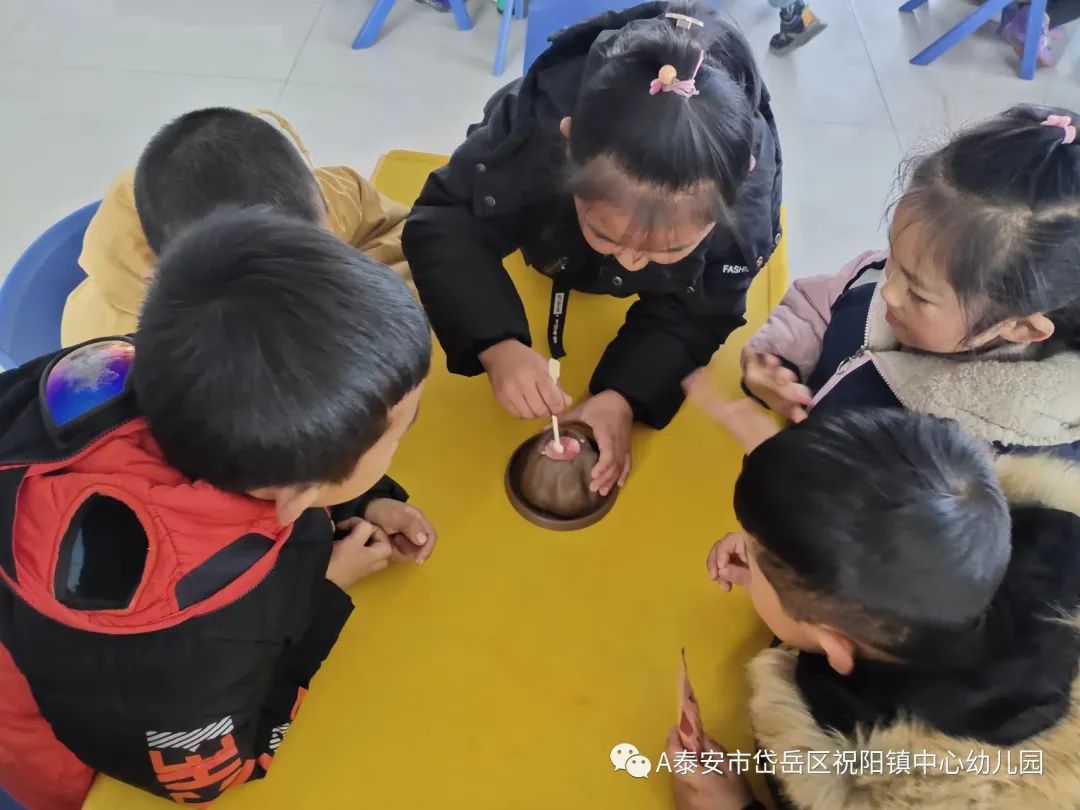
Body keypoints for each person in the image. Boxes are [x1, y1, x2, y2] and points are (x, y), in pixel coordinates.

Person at [0, 210, 435, 809]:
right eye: (400, 432)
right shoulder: (203, 634)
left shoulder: (114, 369)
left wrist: (368, 497)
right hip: (59, 754)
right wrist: (321, 593)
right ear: (297, 494)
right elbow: (212, 775)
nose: (403, 439)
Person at [403, 0, 782, 499]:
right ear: (567, 148)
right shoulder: (531, 132)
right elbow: (447, 220)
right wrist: (494, 343)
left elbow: (700, 311)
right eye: (607, 236)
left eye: (667, 249)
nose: (628, 262)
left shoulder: (743, 213)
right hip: (549, 239)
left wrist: (622, 396)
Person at [669, 399, 1080, 810]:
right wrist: (788, 584)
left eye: (755, 554)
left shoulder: (883, 783)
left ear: (834, 645)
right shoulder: (1040, 531)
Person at [742, 105, 1080, 459]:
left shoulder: (986, 453)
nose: (887, 290)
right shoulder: (907, 272)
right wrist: (779, 360)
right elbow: (817, 303)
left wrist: (779, 463)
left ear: (1021, 327)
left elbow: (870, 513)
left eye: (919, 294)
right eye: (893, 255)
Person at [61, 107, 410, 347]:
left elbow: (398, 232)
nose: (302, 283)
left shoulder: (326, 199)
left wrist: (364, 299)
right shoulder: (115, 358)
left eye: (317, 252)